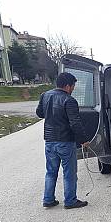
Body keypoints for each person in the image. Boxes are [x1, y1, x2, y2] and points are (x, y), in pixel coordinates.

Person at [36, 72, 91, 209]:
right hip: (65, 141)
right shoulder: (69, 100)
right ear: (67, 86)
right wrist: (84, 140)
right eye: (73, 86)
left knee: (51, 171)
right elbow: (75, 123)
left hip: (49, 141)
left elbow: (39, 113)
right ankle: (70, 201)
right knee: (69, 173)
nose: (73, 89)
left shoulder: (45, 95)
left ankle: (48, 199)